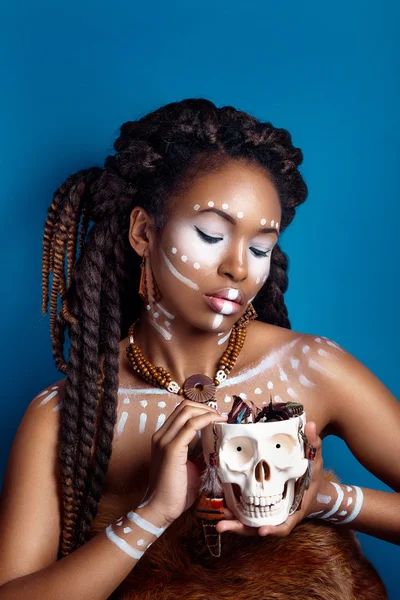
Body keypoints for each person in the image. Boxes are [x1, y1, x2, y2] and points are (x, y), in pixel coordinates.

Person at [0, 98, 398, 600]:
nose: (238, 268)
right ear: (144, 232)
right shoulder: (67, 413)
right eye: (211, 235)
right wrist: (152, 514)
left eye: (260, 248)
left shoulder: (310, 367)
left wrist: (327, 499)